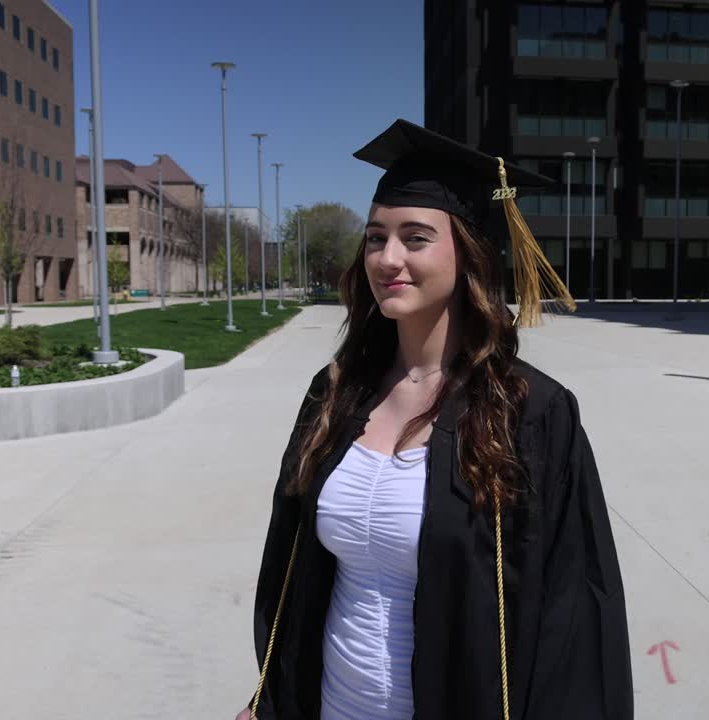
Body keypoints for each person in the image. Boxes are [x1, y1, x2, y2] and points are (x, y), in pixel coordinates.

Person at [240, 119, 633, 720]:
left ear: (468, 252)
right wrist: (269, 697)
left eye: (416, 237)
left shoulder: (526, 412)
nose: (387, 258)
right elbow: (290, 568)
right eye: (375, 237)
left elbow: (572, 614)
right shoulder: (338, 392)